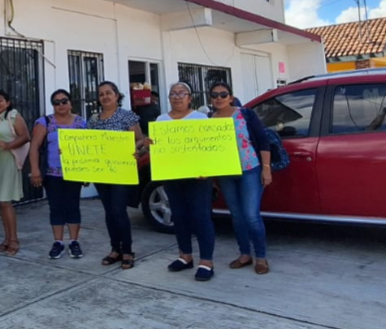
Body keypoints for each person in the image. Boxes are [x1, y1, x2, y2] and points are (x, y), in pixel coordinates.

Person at [152, 81, 216, 282]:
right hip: (173, 177)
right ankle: (185, 256)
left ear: (190, 98)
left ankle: (206, 262)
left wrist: (208, 171)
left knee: (201, 216)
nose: (177, 97)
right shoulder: (161, 120)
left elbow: (210, 147)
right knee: (178, 216)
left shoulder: (200, 118)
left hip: (198, 178)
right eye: (173, 93)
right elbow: (159, 149)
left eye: (182, 93)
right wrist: (150, 144)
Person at [208, 82, 274, 275]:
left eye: (223, 94)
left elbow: (262, 140)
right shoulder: (208, 120)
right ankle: (245, 254)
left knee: (251, 216)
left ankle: (261, 257)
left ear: (231, 96)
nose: (219, 98)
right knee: (236, 215)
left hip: (250, 169)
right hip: (226, 173)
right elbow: (206, 150)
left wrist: (266, 169)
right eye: (214, 95)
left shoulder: (245, 114)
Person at [87, 81, 146, 270]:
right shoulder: (94, 119)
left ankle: (127, 250)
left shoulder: (126, 116)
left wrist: (134, 150)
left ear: (117, 95)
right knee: (109, 211)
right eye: (101, 94)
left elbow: (140, 140)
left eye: (108, 93)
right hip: (101, 172)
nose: (105, 96)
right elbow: (88, 144)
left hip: (121, 171)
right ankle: (115, 249)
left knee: (119, 210)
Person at [29, 89, 88, 260]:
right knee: (55, 207)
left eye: (64, 101)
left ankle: (74, 241)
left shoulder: (81, 123)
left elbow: (87, 148)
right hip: (51, 173)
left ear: (70, 103)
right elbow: (34, 146)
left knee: (73, 206)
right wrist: (35, 170)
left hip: (74, 173)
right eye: (56, 102)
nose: (60, 105)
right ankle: (58, 242)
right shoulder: (44, 122)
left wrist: (87, 172)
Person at [0, 90, 29, 256]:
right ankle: (7, 238)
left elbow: (25, 136)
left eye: (0, 100)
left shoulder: (13, 116)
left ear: (8, 102)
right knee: (1, 204)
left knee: (6, 202)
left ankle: (14, 240)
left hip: (8, 162)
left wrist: (8, 145)